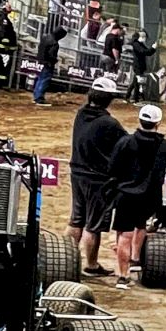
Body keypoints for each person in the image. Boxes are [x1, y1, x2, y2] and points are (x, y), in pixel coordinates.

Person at [105, 105, 166, 290]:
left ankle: (123, 277)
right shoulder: (165, 146)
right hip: (149, 197)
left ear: (139, 120)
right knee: (141, 225)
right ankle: (136, 259)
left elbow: (112, 169)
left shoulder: (125, 142)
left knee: (124, 235)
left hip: (126, 196)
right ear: (158, 123)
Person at [67, 77, 126, 277]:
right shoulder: (110, 123)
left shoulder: (80, 114)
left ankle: (65, 259)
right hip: (98, 180)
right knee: (93, 225)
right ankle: (91, 266)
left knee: (76, 220)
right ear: (109, 99)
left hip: (77, 172)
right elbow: (126, 146)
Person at [32, 26, 66, 106]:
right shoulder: (54, 43)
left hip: (40, 61)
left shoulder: (45, 37)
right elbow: (51, 54)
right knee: (44, 80)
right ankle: (39, 98)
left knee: (40, 79)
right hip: (48, 63)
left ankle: (36, 96)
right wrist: (54, 60)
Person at [125, 31, 156, 104]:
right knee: (137, 83)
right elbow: (143, 51)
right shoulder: (136, 44)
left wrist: (153, 48)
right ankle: (135, 99)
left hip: (141, 65)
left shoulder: (141, 44)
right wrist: (152, 48)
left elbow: (148, 52)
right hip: (137, 65)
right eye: (142, 36)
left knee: (135, 82)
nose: (144, 38)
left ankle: (127, 96)